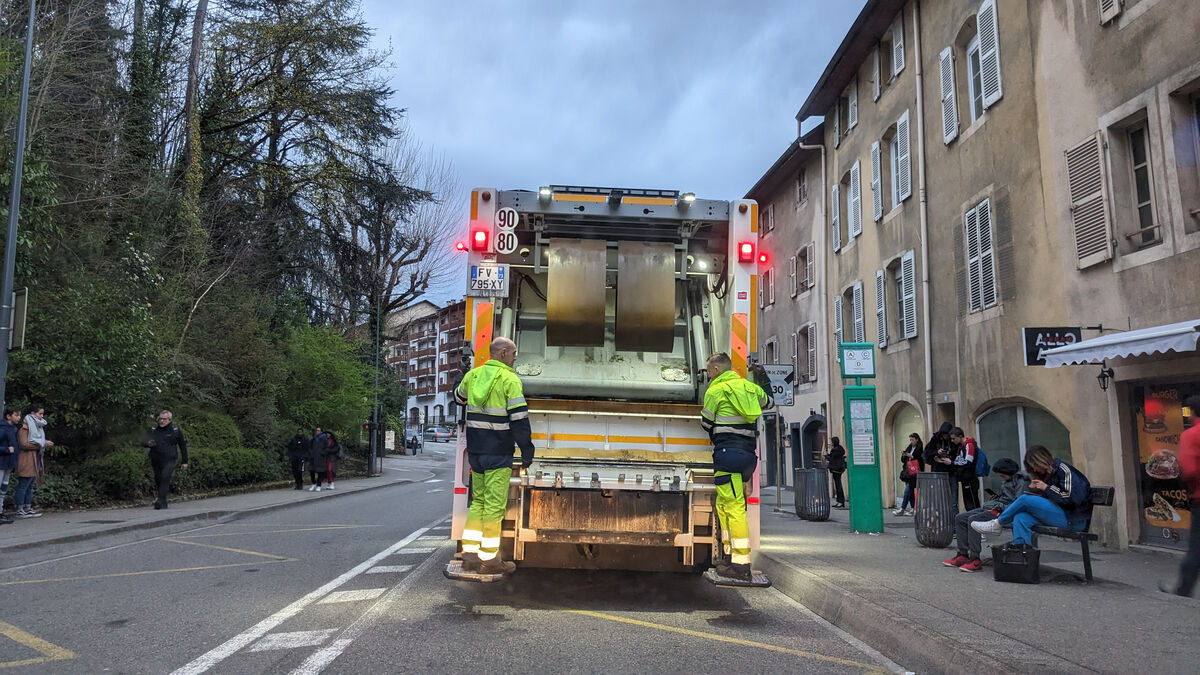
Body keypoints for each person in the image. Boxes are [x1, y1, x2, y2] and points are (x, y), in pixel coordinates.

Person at [454, 337, 534, 575]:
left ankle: (469, 552)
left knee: (478, 502)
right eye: (512, 353)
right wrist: (527, 449)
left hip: (477, 452)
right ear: (502, 353)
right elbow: (519, 419)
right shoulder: (510, 380)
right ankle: (489, 560)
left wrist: (459, 378)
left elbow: (458, 398)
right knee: (494, 507)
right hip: (498, 453)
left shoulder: (473, 376)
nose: (515, 357)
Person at [700, 353, 773, 581]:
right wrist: (763, 378)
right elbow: (769, 402)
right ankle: (729, 558)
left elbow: (706, 423)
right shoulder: (750, 388)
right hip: (747, 458)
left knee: (733, 509)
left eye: (709, 371)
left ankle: (741, 565)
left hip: (727, 456)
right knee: (725, 506)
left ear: (717, 370)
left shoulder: (715, 391)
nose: (708, 375)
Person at [971, 445, 1091, 547]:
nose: (1034, 469)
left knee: (1024, 499)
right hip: (1061, 515)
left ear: (1041, 461)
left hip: (1074, 520)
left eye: (1034, 465)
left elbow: (1072, 498)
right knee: (1021, 517)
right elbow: (1053, 497)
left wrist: (1046, 488)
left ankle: (997, 524)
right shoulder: (1046, 474)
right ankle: (1022, 555)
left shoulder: (1064, 470)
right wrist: (1038, 492)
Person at [942, 458, 1028, 572]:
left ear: (1009, 472)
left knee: (973, 520)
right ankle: (962, 554)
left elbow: (1017, 504)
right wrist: (997, 499)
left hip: (1004, 512)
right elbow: (1007, 497)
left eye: (1002, 476)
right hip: (997, 506)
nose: (1001, 478)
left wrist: (998, 505)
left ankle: (975, 558)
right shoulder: (1008, 480)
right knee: (960, 518)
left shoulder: (1021, 482)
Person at [1161, 394, 1200, 597]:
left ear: (1192, 412)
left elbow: (1189, 469)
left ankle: (1184, 588)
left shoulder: (1191, 435)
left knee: (1196, 547)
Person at [144, 410, 188, 509]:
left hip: (170, 459)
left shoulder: (175, 431)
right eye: (160, 419)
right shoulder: (153, 430)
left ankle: (159, 500)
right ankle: (163, 502)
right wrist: (148, 443)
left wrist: (185, 461)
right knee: (158, 479)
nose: (162, 421)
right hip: (156, 459)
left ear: (170, 420)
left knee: (165, 477)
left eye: (164, 419)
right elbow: (144, 442)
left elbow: (183, 446)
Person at [16, 404, 54, 517]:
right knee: (23, 484)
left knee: (30, 484)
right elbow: (24, 444)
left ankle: (27, 507)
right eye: (39, 413)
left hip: (35, 459)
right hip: (26, 460)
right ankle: (20, 508)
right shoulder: (24, 428)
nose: (41, 416)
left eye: (42, 414)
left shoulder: (38, 428)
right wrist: (42, 444)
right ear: (32, 413)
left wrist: (43, 443)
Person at [949, 427, 981, 511]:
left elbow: (968, 462)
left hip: (970, 479)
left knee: (972, 504)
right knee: (968, 504)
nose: (952, 441)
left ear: (960, 436)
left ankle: (975, 521)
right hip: (965, 478)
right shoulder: (962, 446)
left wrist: (951, 463)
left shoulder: (969, 445)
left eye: (954, 438)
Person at [893, 433, 925, 516]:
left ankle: (902, 508)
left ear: (917, 439)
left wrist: (912, 456)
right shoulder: (910, 447)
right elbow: (904, 460)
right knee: (910, 490)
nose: (911, 441)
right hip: (908, 472)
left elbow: (920, 459)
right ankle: (913, 509)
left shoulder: (919, 448)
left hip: (915, 472)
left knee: (907, 491)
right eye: (910, 440)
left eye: (912, 439)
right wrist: (905, 455)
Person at [0, 407, 20, 524]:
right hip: (2, 463)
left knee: (3, 490)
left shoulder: (12, 429)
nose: (19, 418)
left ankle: (1, 512)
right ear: (8, 416)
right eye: (16, 415)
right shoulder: (2, 429)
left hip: (8, 464)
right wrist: (7, 449)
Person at [826, 437, 847, 508]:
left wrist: (826, 456)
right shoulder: (839, 449)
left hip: (836, 469)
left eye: (831, 442)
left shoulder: (836, 450)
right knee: (838, 485)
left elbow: (832, 459)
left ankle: (840, 502)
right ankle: (839, 501)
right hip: (839, 468)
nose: (831, 443)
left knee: (838, 486)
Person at [308, 427, 327, 491]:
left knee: (320, 472)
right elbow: (310, 446)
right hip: (313, 457)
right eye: (316, 430)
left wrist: (322, 453)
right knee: (311, 471)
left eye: (318, 430)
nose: (317, 431)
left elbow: (327, 448)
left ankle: (319, 485)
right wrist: (311, 452)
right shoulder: (314, 438)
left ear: (321, 431)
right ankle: (313, 484)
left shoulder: (324, 439)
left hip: (320, 458)